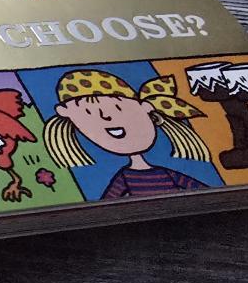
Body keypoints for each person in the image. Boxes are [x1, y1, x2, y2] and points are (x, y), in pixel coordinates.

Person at [42, 69, 212, 199]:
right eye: (89, 113)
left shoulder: (165, 172)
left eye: (118, 109)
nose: (107, 117)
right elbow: (108, 202)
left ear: (146, 110)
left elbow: (201, 190)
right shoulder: (125, 177)